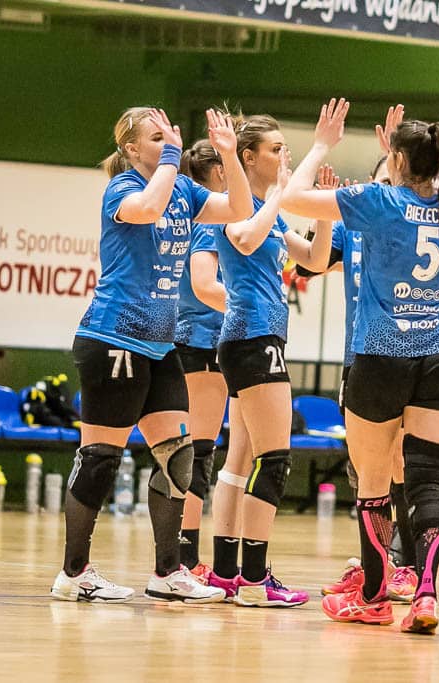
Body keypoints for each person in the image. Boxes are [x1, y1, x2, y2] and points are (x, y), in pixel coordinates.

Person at [51, 107, 252, 604]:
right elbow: (146, 208)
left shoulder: (183, 190)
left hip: (161, 347)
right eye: (156, 138)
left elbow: (239, 208)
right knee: (101, 459)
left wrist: (229, 155)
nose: (169, 145)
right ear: (131, 148)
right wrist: (169, 159)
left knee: (178, 456)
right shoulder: (122, 189)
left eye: (170, 137)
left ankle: (167, 572)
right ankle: (74, 573)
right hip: (113, 339)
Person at [283, 102, 439, 634]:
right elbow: (420, 188)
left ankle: (373, 596)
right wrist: (401, 154)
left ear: (397, 160)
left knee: (373, 481)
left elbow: (292, 197)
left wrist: (322, 145)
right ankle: (426, 593)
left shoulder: (379, 200)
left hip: (381, 358)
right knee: (428, 480)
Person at [208, 112, 335, 607]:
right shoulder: (236, 205)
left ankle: (228, 572)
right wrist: (283, 192)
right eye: (276, 148)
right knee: (275, 460)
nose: (285, 155)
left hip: (258, 339)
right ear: (248, 157)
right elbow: (244, 239)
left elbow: (315, 260)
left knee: (242, 458)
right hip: (251, 336)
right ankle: (255, 580)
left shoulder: (269, 208)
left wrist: (323, 211)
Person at [175, 140, 231, 580]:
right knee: (198, 453)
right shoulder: (210, 221)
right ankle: (185, 558)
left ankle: (181, 556)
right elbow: (204, 285)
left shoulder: (187, 216)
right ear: (219, 173)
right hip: (204, 340)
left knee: (190, 450)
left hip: (189, 339)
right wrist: (253, 307)